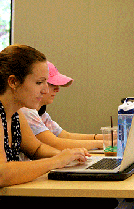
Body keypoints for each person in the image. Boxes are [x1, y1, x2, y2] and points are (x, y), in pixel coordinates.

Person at [0, 44, 89, 187]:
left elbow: (36, 149)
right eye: (39, 82)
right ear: (13, 82)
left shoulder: (15, 113)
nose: (45, 90)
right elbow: (2, 174)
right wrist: (57, 161)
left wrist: (70, 156)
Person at [20, 61, 103, 151]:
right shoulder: (26, 111)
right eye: (51, 84)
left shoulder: (40, 112)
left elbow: (64, 135)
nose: (57, 89)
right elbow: (55, 144)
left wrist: (102, 138)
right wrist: (103, 143)